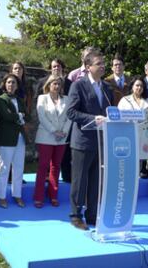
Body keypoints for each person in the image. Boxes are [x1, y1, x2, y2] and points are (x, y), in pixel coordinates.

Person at [66, 49, 113, 230]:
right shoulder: (78, 86)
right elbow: (71, 112)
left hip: (101, 142)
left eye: (103, 63)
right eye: (99, 64)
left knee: (96, 180)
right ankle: (76, 215)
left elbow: (110, 111)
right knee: (79, 180)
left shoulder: (107, 87)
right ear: (87, 67)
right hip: (83, 142)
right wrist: (92, 119)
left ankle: (92, 215)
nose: (103, 67)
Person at [33, 75, 71, 208]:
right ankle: (38, 197)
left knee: (56, 166)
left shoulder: (66, 99)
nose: (57, 86)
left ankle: (53, 195)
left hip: (62, 138)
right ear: (48, 85)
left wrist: (64, 132)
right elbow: (42, 117)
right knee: (43, 166)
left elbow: (69, 118)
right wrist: (55, 131)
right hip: (46, 137)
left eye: (59, 84)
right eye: (54, 83)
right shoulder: (42, 98)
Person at [0, 73, 30, 208]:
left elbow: (28, 116)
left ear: (17, 86)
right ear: (4, 84)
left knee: (19, 168)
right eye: (8, 82)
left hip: (20, 137)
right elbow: (6, 116)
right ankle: (2, 197)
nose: (11, 85)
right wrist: (20, 116)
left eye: (13, 83)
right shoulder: (1, 99)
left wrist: (20, 116)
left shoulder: (20, 100)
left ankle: (17, 195)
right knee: (4, 168)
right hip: (6, 138)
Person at [36, 59, 73, 183]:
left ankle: (65, 178)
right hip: (47, 130)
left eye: (58, 66)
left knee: (62, 159)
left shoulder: (70, 83)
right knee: (44, 163)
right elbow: (40, 110)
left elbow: (70, 110)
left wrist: (64, 131)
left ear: (62, 68)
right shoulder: (42, 83)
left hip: (63, 131)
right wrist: (53, 130)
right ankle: (42, 187)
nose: (56, 68)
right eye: (53, 66)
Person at [118, 76, 148, 162]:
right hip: (128, 134)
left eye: (141, 86)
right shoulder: (124, 100)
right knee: (128, 159)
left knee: (140, 160)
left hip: (144, 135)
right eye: (137, 85)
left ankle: (138, 175)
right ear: (132, 86)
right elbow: (119, 118)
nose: (139, 88)